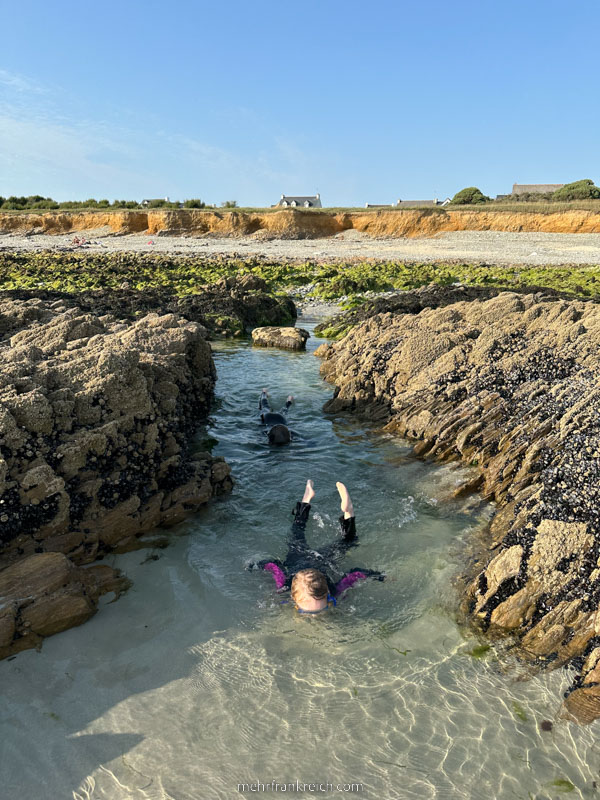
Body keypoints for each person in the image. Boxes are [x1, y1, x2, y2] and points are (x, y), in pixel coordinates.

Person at [250, 480, 385, 613]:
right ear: (294, 599)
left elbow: (355, 575)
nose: (315, 617)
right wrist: (256, 566)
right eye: (308, 612)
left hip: (305, 557)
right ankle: (337, 509)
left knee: (304, 533)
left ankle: (342, 510)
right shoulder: (284, 589)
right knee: (300, 533)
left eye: (324, 608)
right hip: (313, 559)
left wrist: (379, 576)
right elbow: (274, 566)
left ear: (327, 593)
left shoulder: (331, 590)